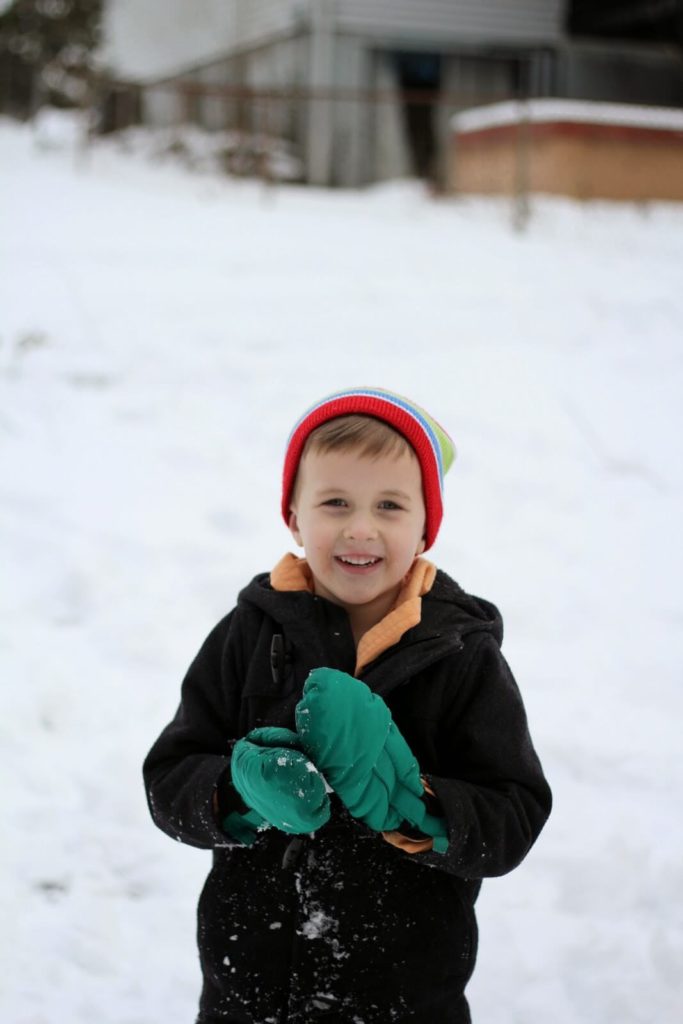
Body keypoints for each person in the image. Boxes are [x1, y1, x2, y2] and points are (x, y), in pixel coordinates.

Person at [143, 387, 552, 1024]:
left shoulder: (460, 655)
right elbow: (169, 778)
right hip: (249, 990)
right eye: (335, 502)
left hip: (403, 995)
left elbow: (514, 814)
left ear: (424, 528)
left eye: (389, 506)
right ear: (295, 517)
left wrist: (418, 805)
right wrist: (237, 791)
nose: (360, 528)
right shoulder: (249, 633)